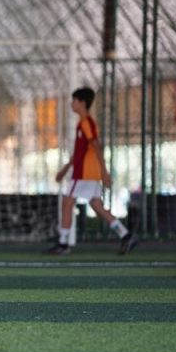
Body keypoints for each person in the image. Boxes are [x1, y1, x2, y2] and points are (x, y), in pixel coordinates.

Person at [46, 87, 137, 256]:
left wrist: (105, 172)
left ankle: (63, 243)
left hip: (84, 174)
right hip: (89, 173)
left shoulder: (86, 123)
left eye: (74, 100)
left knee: (67, 203)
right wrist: (65, 169)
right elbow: (80, 153)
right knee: (96, 206)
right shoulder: (83, 124)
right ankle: (126, 235)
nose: (72, 103)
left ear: (82, 103)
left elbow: (96, 146)